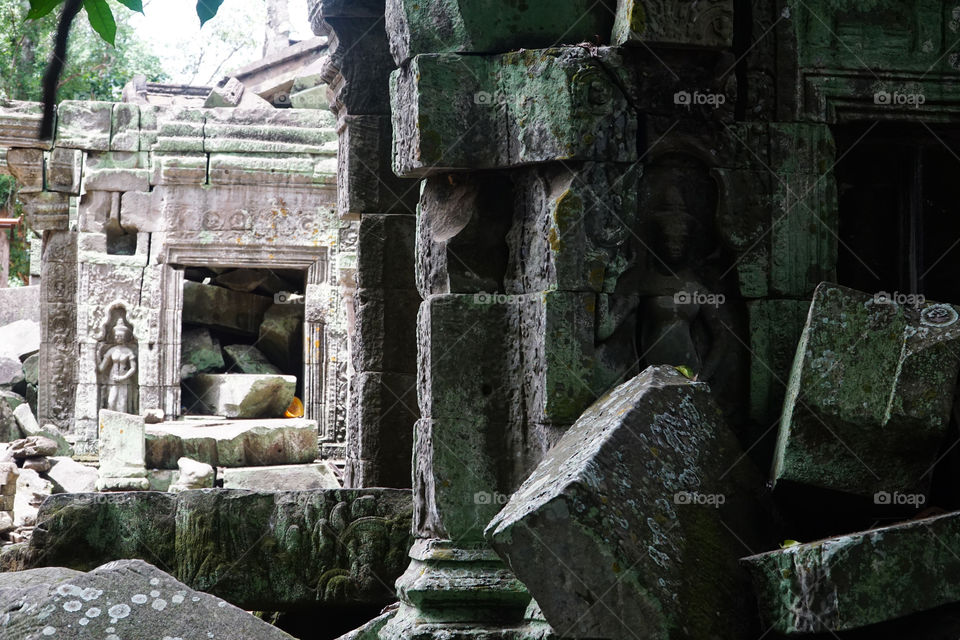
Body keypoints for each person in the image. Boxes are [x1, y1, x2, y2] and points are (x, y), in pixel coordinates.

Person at [98, 322, 138, 413]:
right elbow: (101, 368)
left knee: (122, 404)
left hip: (124, 379)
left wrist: (123, 377)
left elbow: (133, 368)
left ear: (125, 337)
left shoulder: (128, 351)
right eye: (117, 336)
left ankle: (122, 426)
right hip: (113, 379)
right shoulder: (111, 351)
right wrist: (95, 356)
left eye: (121, 336)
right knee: (111, 402)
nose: (118, 338)